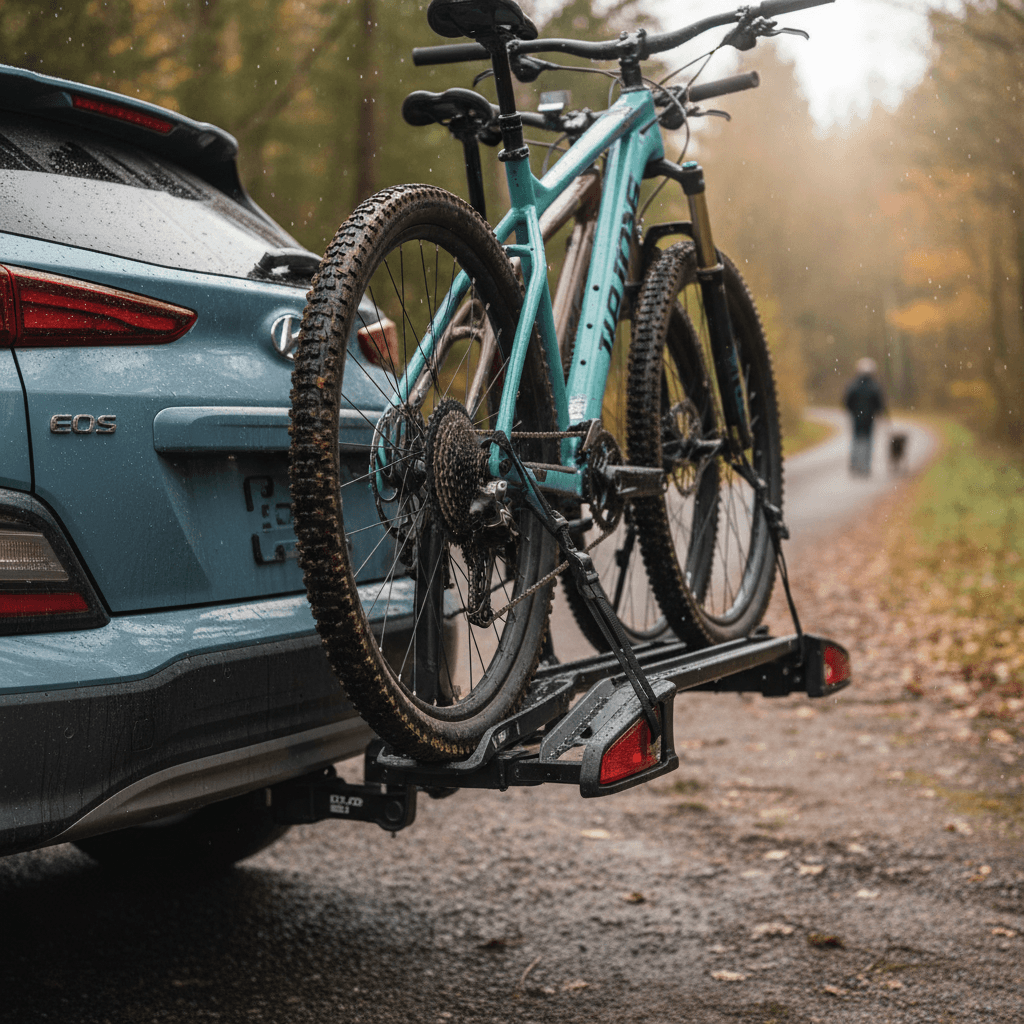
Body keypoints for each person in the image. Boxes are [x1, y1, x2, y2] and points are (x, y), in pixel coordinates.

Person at [844, 357, 886, 476]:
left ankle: (855, 465)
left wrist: (853, 411)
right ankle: (865, 467)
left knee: (856, 440)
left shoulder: (853, 385)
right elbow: (880, 404)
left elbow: (847, 401)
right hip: (869, 419)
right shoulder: (874, 386)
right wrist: (879, 413)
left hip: (856, 418)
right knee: (867, 442)